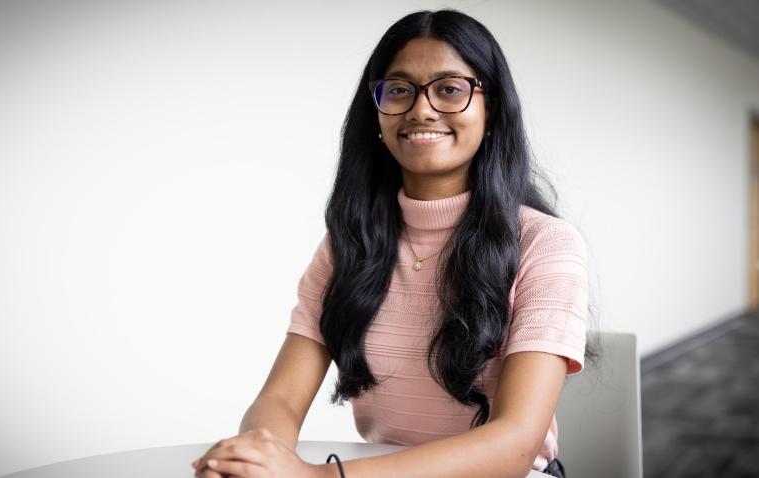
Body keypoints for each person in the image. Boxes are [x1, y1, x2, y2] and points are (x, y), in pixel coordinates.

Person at [191, 8, 590, 478]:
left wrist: (318, 477)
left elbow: (514, 446)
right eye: (399, 90)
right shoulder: (350, 244)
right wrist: (256, 458)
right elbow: (279, 398)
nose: (422, 109)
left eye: (449, 89)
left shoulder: (546, 244)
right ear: (377, 111)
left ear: (492, 107)